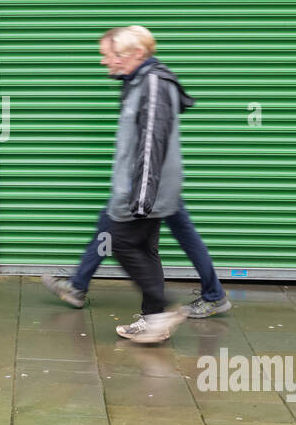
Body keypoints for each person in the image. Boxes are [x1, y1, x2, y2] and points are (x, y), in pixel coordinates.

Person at [42, 26, 231, 342]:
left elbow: (151, 144)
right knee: (141, 245)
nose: (106, 61)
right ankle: (153, 314)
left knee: (121, 242)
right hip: (143, 189)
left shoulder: (153, 83)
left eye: (111, 55)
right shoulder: (137, 81)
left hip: (146, 191)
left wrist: (141, 200)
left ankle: (159, 313)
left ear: (137, 54)